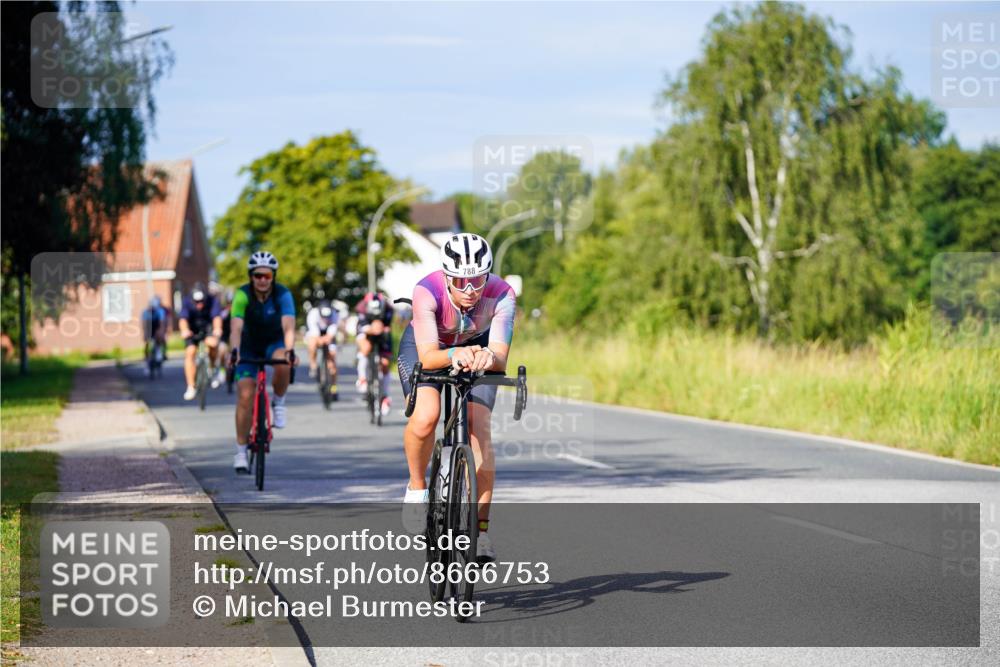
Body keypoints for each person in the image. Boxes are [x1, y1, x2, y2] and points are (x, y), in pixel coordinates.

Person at [396, 233, 515, 562]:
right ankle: (417, 487)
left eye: (478, 280)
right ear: (447, 276)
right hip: (429, 347)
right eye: (461, 281)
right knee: (426, 417)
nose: (470, 290)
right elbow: (429, 356)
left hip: (478, 347)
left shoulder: (502, 293)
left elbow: (500, 355)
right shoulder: (427, 290)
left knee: (479, 428)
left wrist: (489, 357)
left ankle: (481, 531)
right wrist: (454, 354)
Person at [227, 251, 297, 473]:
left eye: (267, 275)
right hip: (248, 345)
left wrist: (290, 350)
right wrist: (235, 351)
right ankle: (240, 452)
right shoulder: (242, 294)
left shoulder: (282, 294)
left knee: (283, 361)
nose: (262, 280)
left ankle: (279, 402)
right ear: (251, 276)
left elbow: (288, 325)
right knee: (245, 395)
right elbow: (236, 327)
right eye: (258, 275)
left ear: (273, 276)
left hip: (273, 343)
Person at [178, 285, 223, 400]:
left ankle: (213, 369)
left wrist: (217, 329)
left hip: (207, 328)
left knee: (213, 344)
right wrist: (184, 330)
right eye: (197, 302)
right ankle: (191, 386)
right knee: (190, 352)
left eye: (202, 301)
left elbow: (216, 318)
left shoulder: (213, 301)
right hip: (192, 330)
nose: (199, 304)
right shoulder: (187, 302)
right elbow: (183, 319)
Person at [355, 290, 394, 415]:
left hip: (382, 331)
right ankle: (362, 378)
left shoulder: (388, 309)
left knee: (385, 363)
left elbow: (387, 326)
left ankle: (385, 396)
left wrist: (382, 329)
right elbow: (362, 327)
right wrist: (371, 329)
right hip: (366, 330)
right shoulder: (361, 308)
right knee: (365, 349)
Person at [305, 300, 341, 394]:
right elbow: (313, 331)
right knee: (312, 344)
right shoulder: (313, 314)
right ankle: (313, 365)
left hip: (329, 335)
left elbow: (333, 328)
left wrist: (328, 338)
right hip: (315, 334)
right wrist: (319, 340)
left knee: (332, 362)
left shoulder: (335, 314)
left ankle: (333, 385)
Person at [141, 295, 168, 376]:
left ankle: (161, 353)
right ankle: (146, 361)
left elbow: (161, 324)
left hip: (157, 327)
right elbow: (144, 325)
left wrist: (160, 333)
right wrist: (145, 335)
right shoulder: (145, 312)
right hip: (149, 327)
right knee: (146, 344)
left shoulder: (160, 311)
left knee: (161, 339)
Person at [214, 290, 233, 388]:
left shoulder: (240, 312)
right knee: (222, 352)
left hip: (236, 337)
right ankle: (222, 370)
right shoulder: (223, 313)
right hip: (225, 337)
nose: (231, 306)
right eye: (229, 303)